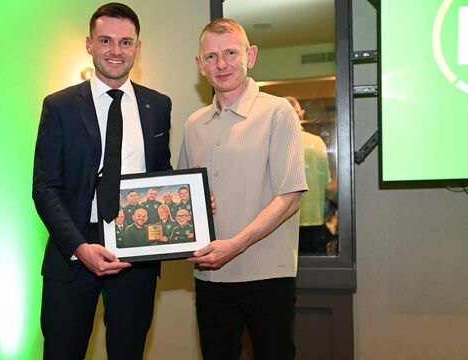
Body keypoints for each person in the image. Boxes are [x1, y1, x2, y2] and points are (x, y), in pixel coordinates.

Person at [32, 3, 172, 359]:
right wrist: (80, 247)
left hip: (136, 251)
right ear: (89, 44)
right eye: (106, 40)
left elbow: (160, 176)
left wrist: (192, 203)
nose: (115, 51)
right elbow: (45, 188)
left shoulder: (158, 105)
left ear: (138, 49)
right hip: (74, 252)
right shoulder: (59, 106)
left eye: (126, 42)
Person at [178, 18, 307, 359]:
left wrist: (235, 245)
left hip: (268, 278)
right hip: (210, 280)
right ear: (199, 65)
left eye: (231, 52)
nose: (221, 64)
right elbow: (182, 199)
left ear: (250, 55)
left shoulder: (278, 112)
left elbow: (290, 197)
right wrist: (191, 206)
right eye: (211, 56)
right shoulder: (194, 125)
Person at [285, 96, 333, 254]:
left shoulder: (277, 144)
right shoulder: (318, 143)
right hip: (315, 222)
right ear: (302, 114)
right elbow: (328, 185)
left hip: (284, 222)